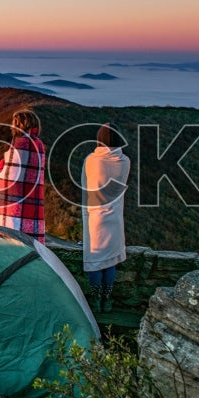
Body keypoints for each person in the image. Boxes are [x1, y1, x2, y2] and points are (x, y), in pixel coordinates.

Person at [81, 122, 131, 313]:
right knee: (110, 261)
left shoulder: (91, 160)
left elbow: (86, 190)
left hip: (95, 218)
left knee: (95, 262)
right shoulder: (125, 161)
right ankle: (107, 299)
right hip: (115, 219)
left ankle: (95, 299)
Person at [0, 108, 47, 242]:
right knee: (29, 243)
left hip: (11, 207)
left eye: (14, 124)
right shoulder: (39, 145)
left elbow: (7, 176)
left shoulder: (19, 144)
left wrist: (1, 167)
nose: (12, 127)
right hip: (32, 204)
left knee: (8, 241)